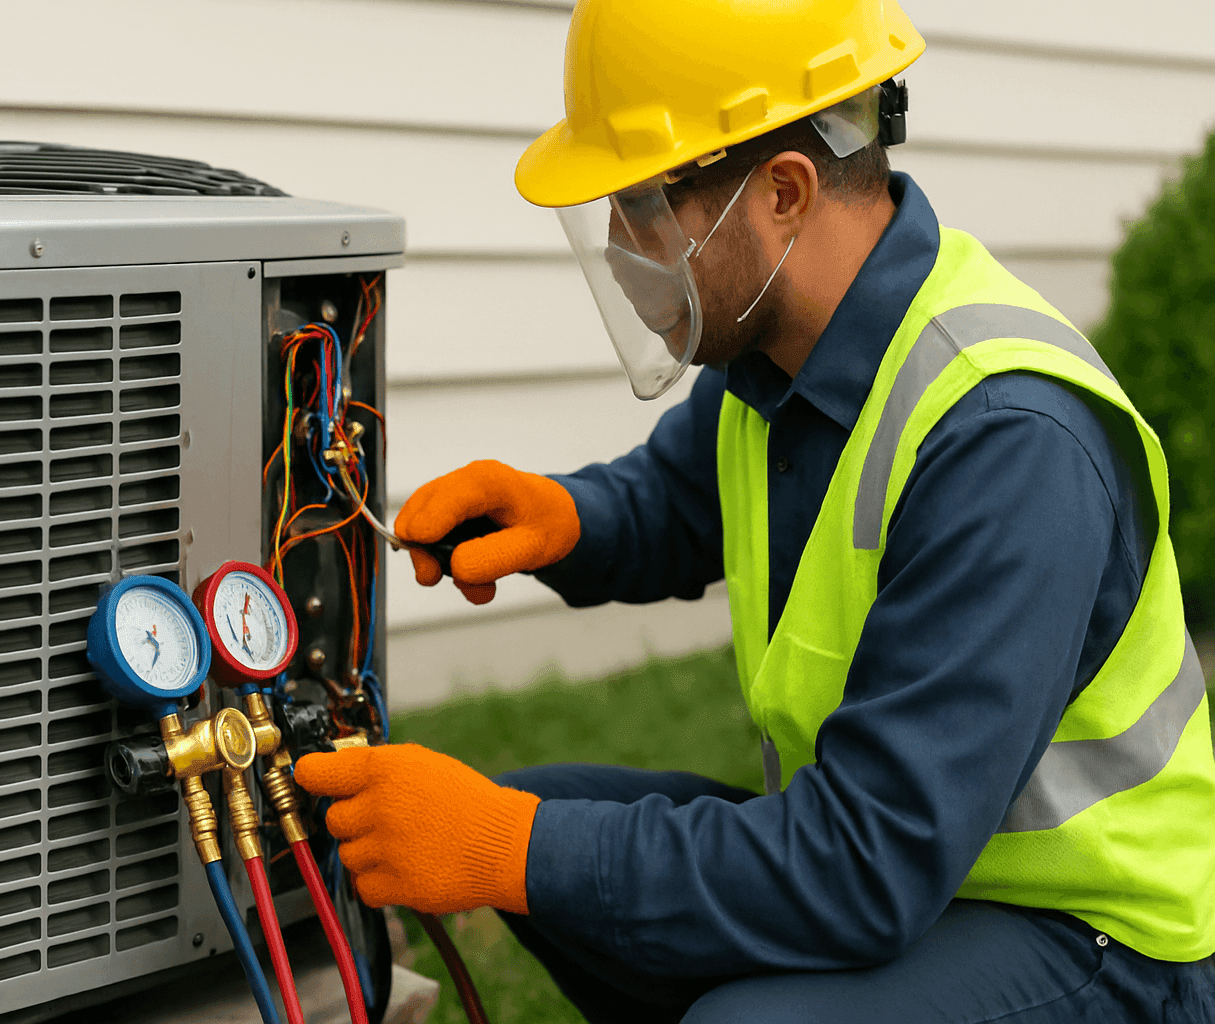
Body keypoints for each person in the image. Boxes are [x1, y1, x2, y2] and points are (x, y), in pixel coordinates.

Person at [295, 0, 1215, 1019]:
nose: (617, 242)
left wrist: (512, 852)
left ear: (782, 191)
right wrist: (566, 517)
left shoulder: (1005, 442)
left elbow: (864, 865)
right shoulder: (779, 355)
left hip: (1094, 939)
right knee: (546, 816)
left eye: (642, 199)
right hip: (923, 871)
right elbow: (674, 503)